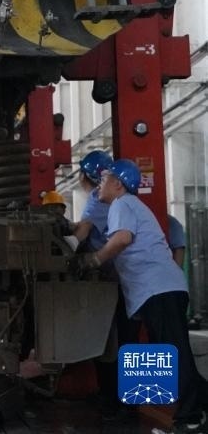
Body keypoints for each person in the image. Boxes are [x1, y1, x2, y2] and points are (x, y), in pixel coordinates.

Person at [78, 159, 208, 434]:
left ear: (118, 184)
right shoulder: (126, 204)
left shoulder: (121, 204)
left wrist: (94, 259)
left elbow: (122, 239)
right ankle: (198, 408)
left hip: (158, 288)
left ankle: (190, 420)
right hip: (158, 289)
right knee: (174, 353)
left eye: (105, 179)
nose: (99, 184)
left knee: (174, 355)